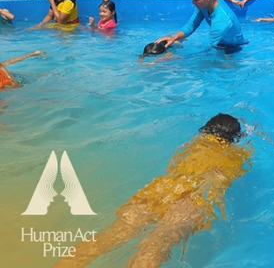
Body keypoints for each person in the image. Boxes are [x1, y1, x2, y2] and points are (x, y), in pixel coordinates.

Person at [53, 113, 252, 268]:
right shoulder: (235, 154)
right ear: (234, 138)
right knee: (155, 245)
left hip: (160, 190)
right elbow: (222, 180)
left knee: (111, 235)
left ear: (207, 130)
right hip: (191, 200)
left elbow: (173, 166)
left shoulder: (194, 144)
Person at [156, 0, 246, 50]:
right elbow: (191, 25)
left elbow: (206, 47)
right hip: (219, 42)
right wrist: (174, 37)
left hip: (233, 48)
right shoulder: (205, 4)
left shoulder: (222, 19)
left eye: (196, 0)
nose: (193, 3)